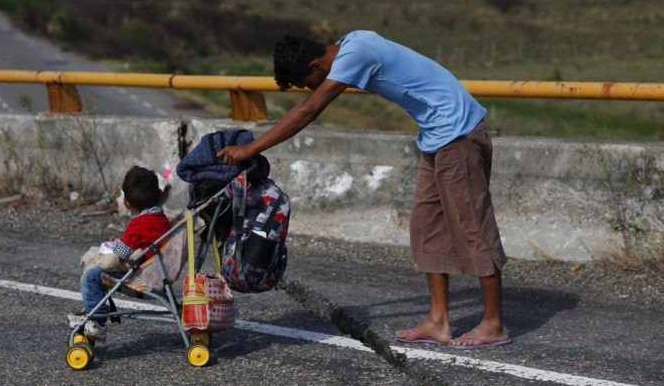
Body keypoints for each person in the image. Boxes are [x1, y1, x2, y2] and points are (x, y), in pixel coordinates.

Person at [217, 30, 511, 350]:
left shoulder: (354, 55)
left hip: (460, 136)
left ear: (317, 65)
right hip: (437, 137)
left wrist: (250, 150)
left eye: (308, 83)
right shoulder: (352, 40)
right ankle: (438, 321)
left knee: (473, 229)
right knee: (427, 228)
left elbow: (308, 110)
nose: (311, 89)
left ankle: (493, 324)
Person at [68, 165, 171, 342]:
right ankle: (95, 311)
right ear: (160, 193)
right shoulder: (162, 220)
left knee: (93, 275)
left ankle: (96, 319)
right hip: (159, 272)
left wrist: (115, 244)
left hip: (143, 277)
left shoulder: (139, 224)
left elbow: (120, 253)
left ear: (127, 203)